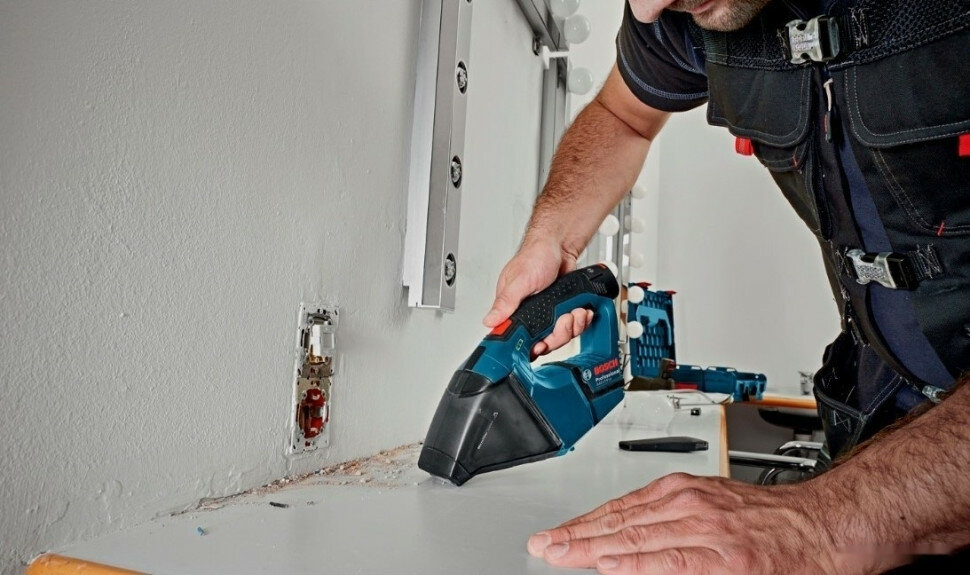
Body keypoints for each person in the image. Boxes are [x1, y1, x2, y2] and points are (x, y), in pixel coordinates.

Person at [482, 0, 970, 572]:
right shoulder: (677, 16)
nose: (650, 9)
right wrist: (553, 238)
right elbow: (623, 116)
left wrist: (819, 524)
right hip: (883, 432)